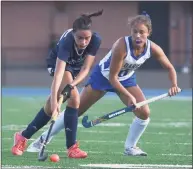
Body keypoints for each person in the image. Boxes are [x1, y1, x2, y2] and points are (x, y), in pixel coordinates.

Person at [27, 12, 181, 156]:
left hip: (126, 79)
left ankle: (130, 147)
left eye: (142, 32)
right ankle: (42, 139)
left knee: (144, 113)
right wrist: (129, 97)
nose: (138, 36)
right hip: (104, 77)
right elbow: (113, 78)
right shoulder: (121, 46)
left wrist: (174, 84)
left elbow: (170, 67)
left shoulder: (153, 48)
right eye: (135, 32)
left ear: (149, 33)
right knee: (76, 111)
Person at [11, 9, 103, 159]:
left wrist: (72, 84)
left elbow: (86, 68)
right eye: (80, 38)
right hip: (57, 64)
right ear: (73, 34)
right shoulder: (67, 43)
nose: (84, 42)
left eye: (87, 38)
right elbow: (59, 75)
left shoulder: (96, 40)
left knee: (50, 106)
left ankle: (22, 136)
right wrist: (56, 103)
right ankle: (72, 147)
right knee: (73, 98)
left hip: (75, 68)